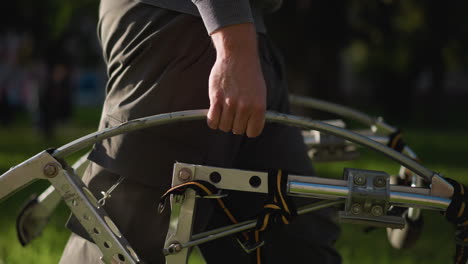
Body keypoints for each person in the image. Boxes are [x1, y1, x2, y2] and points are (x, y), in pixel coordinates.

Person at [59, 0, 342, 263]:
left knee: (292, 238)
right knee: (119, 242)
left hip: (240, 31)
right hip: (190, 29)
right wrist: (234, 45)